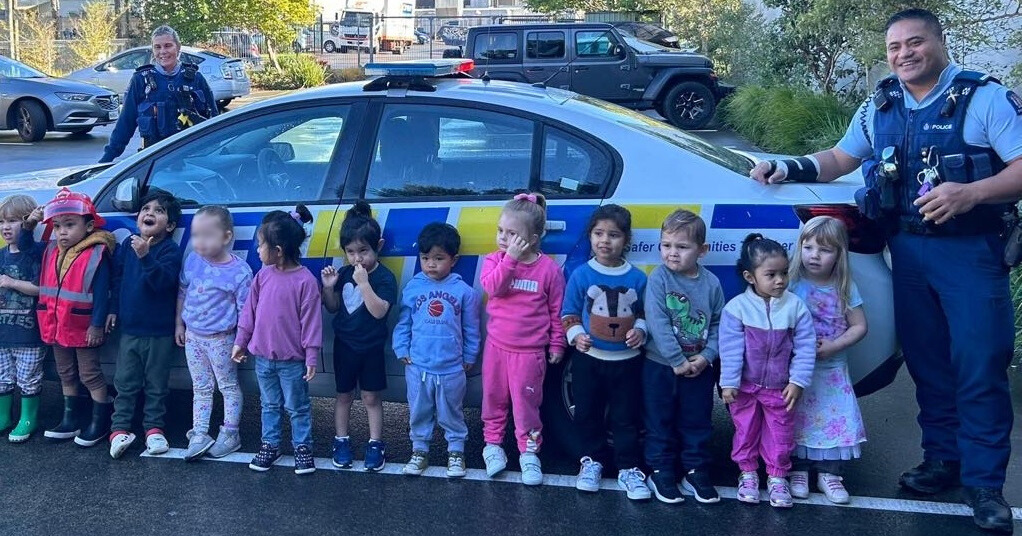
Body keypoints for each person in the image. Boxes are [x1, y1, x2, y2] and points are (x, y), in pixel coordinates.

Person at [749, 8, 1021, 531]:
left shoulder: (984, 97)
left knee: (979, 365)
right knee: (928, 363)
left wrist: (972, 192)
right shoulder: (882, 104)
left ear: (940, 43)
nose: (904, 54)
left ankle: (985, 485)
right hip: (908, 251)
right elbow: (839, 158)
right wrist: (784, 165)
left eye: (915, 43)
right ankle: (944, 460)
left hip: (970, 252)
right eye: (895, 47)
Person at [719, 234, 816, 509]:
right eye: (771, 275)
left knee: (780, 434)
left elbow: (805, 346)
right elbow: (730, 349)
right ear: (750, 277)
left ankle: (777, 477)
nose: (780, 281)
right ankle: (748, 474)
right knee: (745, 430)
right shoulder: (736, 308)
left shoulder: (795, 307)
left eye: (784, 273)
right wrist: (729, 383)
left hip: (780, 388)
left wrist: (798, 381)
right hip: (746, 387)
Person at [561, 205, 650, 501]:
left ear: (626, 240)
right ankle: (591, 461)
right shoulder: (581, 275)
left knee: (626, 417)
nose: (605, 241)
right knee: (588, 413)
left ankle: (629, 468)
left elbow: (643, 314)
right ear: (590, 236)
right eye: (598, 233)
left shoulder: (637, 278)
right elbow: (569, 312)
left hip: (626, 363)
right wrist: (576, 336)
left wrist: (640, 330)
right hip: (589, 361)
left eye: (613, 235)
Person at [479, 192, 566, 486]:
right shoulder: (495, 260)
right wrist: (510, 260)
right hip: (497, 348)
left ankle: (529, 452)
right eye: (501, 231)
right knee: (493, 399)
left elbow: (557, 310)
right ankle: (493, 446)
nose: (504, 238)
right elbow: (493, 287)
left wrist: (557, 343)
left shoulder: (549, 270)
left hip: (529, 353)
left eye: (513, 234)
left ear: (534, 236)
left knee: (526, 405)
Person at [642, 209, 724, 505]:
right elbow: (658, 322)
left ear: (702, 250)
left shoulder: (712, 284)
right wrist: (677, 360)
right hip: (661, 366)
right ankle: (660, 469)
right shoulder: (658, 280)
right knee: (658, 420)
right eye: (666, 245)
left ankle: (695, 470)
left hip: (700, 367)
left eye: (682, 247)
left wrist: (707, 356)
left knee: (696, 421)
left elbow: (717, 324)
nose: (672, 253)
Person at [22, 188, 116, 447]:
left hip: (83, 327)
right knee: (66, 373)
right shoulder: (51, 249)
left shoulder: (96, 254)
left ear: (88, 226)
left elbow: (102, 295)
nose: (62, 232)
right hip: (56, 325)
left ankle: (100, 421)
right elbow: (27, 248)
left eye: (70, 225)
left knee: (90, 374)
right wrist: (29, 226)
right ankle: (69, 419)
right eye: (58, 225)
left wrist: (97, 325)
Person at [233, 206, 321, 475]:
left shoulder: (305, 282)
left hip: (292, 362)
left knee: (297, 407)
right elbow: (249, 312)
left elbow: (311, 323)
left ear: (278, 250)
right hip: (263, 360)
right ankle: (270, 444)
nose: (258, 251)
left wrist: (311, 356)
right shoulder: (262, 276)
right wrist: (241, 341)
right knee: (269, 404)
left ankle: (302, 447)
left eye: (261, 245)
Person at [787, 216, 868, 504]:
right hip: (797, 370)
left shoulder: (844, 287)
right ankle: (798, 469)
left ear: (839, 255)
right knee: (796, 417)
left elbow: (859, 326)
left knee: (833, 419)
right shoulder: (791, 284)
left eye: (824, 250)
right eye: (808, 248)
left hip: (832, 369)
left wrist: (835, 345)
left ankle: (830, 473)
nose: (814, 256)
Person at [393, 222, 481, 478]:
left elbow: (471, 328)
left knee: (451, 412)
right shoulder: (413, 288)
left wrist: (469, 356)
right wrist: (401, 348)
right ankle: (419, 450)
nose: (431, 264)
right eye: (425, 258)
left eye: (439, 258)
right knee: (418, 411)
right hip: (418, 366)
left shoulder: (464, 292)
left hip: (452, 368)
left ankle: (456, 452)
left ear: (454, 260)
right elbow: (404, 322)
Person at [320, 202, 397, 472]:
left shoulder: (384, 277)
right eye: (351, 252)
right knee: (343, 396)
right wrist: (329, 289)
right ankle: (341, 441)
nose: (357, 259)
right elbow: (332, 308)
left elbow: (378, 313)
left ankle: (375, 443)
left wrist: (364, 284)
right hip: (345, 346)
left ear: (379, 246)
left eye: (363, 251)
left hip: (371, 347)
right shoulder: (343, 274)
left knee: (371, 398)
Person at [108, 191, 184, 459]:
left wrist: (146, 256)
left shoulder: (169, 251)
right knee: (125, 383)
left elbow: (163, 283)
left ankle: (154, 429)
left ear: (171, 225)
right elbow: (117, 280)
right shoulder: (128, 245)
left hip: (159, 333)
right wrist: (113, 310)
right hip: (130, 330)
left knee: (156, 385)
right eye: (146, 208)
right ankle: (119, 430)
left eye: (159, 211)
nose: (150, 213)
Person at [175, 206, 253, 461]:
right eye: (196, 235)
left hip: (222, 339)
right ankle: (199, 433)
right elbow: (183, 292)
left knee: (228, 386)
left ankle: (230, 433)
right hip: (193, 338)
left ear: (226, 237)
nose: (199, 242)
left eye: (207, 236)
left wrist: (241, 343)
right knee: (201, 387)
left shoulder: (240, 272)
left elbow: (245, 312)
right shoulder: (193, 260)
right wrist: (180, 324)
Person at [100, 25, 217, 163]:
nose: (163, 51)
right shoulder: (141, 80)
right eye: (157, 47)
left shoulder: (196, 78)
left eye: (168, 46)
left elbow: (214, 120)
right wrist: (106, 160)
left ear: (178, 48)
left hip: (193, 158)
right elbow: (125, 124)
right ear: (153, 50)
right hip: (154, 160)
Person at [0, 195, 45, 443]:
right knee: (2, 376)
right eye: (2, 221)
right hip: (3, 332)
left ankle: (29, 418)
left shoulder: (37, 253)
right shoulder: (0, 255)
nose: (6, 227)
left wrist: (12, 282)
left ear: (28, 223)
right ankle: (4, 416)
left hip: (29, 332)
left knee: (28, 377)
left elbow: (43, 288)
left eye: (13, 221)